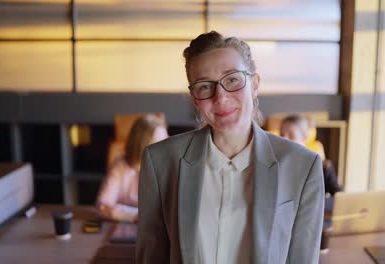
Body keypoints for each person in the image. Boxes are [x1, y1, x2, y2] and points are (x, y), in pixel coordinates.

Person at [136, 31, 325, 264]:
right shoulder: (160, 161)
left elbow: (303, 259)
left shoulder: (303, 166)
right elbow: (151, 256)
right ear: (195, 98)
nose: (221, 98)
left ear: (255, 84)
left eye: (233, 79)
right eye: (205, 86)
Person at [97, 114, 168, 223]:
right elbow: (103, 207)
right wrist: (135, 216)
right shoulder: (120, 167)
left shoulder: (169, 168)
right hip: (127, 225)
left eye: (166, 143)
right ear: (140, 145)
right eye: (157, 145)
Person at [280, 114, 342, 197]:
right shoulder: (276, 167)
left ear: (304, 138)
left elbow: (340, 197)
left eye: (291, 135)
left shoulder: (324, 168)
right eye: (281, 135)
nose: (284, 140)